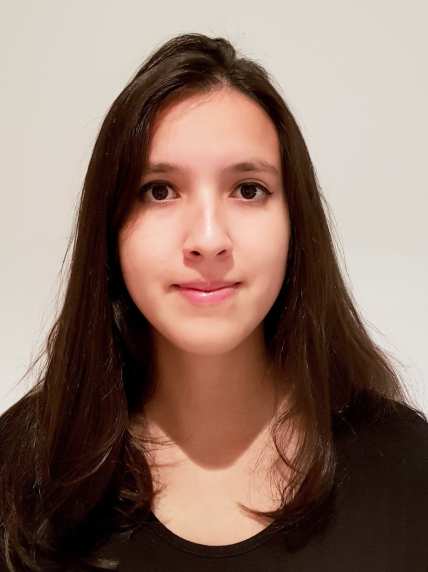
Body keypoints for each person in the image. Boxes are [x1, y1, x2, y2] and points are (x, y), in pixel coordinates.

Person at [0, 32, 427, 572]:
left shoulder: (410, 475)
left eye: (248, 189)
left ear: (296, 225)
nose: (207, 239)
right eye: (159, 190)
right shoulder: (20, 474)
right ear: (110, 227)